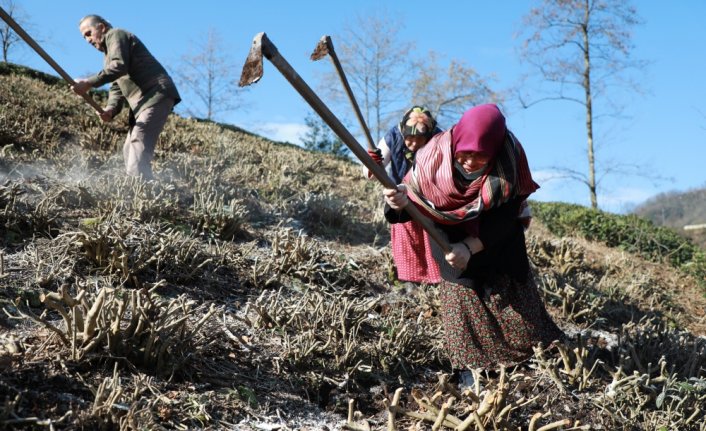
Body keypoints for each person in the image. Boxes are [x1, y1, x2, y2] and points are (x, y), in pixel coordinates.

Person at [383, 104, 563, 388]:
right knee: (463, 304)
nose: (469, 163)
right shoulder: (433, 155)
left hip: (497, 240)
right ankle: (473, 372)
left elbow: (508, 217)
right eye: (464, 154)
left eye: (480, 158)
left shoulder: (509, 160)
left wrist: (472, 246)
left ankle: (531, 362)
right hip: (447, 239)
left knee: (520, 316)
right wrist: (398, 202)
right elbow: (411, 198)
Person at [71, 15, 181, 179]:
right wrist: (110, 109)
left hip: (155, 93)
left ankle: (139, 190)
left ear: (101, 27)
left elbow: (119, 67)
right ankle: (142, 187)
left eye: (88, 33)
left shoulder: (116, 34)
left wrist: (89, 82)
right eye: (84, 37)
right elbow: (117, 86)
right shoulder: (108, 55)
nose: (87, 40)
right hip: (142, 102)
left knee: (139, 138)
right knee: (129, 149)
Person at [365, 106, 442, 285]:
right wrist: (372, 163)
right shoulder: (392, 137)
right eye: (410, 139)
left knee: (431, 237)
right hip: (400, 198)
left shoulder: (440, 139)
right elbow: (369, 173)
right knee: (405, 235)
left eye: (419, 139)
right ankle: (410, 281)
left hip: (429, 198)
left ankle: (436, 280)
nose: (413, 144)